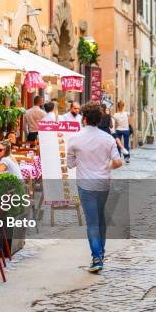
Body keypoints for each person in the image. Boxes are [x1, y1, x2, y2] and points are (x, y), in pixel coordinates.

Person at [67, 103, 122, 273]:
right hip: (103, 183)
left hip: (85, 184)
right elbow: (118, 161)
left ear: (84, 119)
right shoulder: (108, 139)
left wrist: (81, 159)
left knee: (92, 222)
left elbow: (70, 164)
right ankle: (101, 253)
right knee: (100, 218)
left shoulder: (75, 138)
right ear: (99, 120)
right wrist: (107, 167)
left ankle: (97, 258)